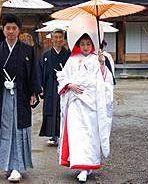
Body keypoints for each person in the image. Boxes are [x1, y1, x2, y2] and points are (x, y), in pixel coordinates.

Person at [0, 14, 41, 182]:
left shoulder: (28, 50)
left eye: (14, 28)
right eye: (8, 28)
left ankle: (17, 166)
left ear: (19, 30)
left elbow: (34, 72)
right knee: (6, 128)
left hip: (21, 96)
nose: (11, 31)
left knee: (18, 129)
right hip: (3, 96)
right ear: (3, 29)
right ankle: (6, 164)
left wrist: (34, 93)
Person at [56, 33, 113, 182]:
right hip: (76, 104)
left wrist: (102, 64)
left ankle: (87, 166)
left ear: (92, 45)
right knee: (77, 136)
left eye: (88, 44)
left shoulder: (97, 59)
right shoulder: (72, 60)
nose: (86, 47)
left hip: (91, 104)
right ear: (78, 45)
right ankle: (80, 165)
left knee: (90, 136)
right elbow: (62, 77)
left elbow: (105, 80)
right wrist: (69, 85)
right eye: (82, 44)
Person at [39, 29, 70, 146]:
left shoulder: (68, 55)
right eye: (55, 37)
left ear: (63, 40)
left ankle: (63, 135)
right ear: (51, 39)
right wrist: (40, 87)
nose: (58, 40)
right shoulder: (46, 55)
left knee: (63, 110)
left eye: (60, 37)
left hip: (64, 87)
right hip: (50, 87)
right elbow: (41, 72)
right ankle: (53, 136)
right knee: (51, 110)